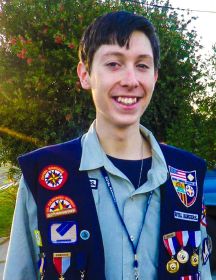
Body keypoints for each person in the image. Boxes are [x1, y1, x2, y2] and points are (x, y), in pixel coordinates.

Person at [4, 11, 212, 280]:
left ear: (155, 77)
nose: (130, 80)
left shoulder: (188, 175)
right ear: (85, 74)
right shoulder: (44, 175)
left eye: (142, 65)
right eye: (114, 63)